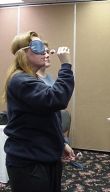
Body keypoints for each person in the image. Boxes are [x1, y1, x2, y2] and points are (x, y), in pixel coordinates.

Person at [2, 31, 75, 192]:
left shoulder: (33, 79)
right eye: (38, 46)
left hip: (44, 156)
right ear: (23, 53)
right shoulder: (20, 80)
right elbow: (57, 98)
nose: (44, 51)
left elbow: (50, 117)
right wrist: (66, 65)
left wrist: (61, 143)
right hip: (28, 162)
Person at [37, 41, 74, 159]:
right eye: (43, 52)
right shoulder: (32, 81)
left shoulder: (49, 78)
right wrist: (66, 64)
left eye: (48, 52)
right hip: (41, 144)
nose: (47, 55)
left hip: (52, 139)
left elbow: (54, 116)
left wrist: (62, 142)